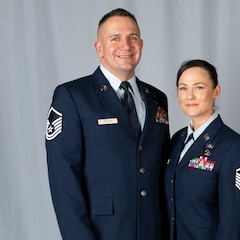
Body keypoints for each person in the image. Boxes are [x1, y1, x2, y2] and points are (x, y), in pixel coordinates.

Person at [45, 8, 170, 240]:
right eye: (115, 38)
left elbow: (162, 169)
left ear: (141, 44)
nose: (126, 45)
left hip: (153, 231)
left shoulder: (158, 99)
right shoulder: (72, 96)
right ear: (99, 48)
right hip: (103, 232)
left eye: (132, 37)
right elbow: (63, 180)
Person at [163, 59, 240, 239]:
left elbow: (233, 225)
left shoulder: (234, 147)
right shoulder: (176, 140)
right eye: (183, 88)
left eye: (199, 87)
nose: (190, 96)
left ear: (216, 92)